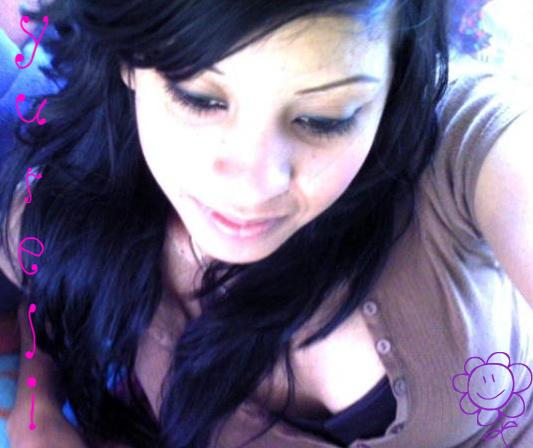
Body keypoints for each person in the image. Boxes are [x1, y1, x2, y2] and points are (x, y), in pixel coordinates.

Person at [0, 0, 532, 447]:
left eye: (324, 118)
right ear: (129, 61)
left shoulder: (463, 153)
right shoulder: (62, 208)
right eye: (200, 99)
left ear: (395, 78)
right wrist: (36, 407)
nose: (252, 188)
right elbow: (48, 305)